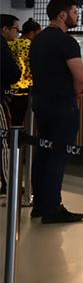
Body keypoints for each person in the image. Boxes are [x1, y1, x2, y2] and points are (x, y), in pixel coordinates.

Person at [30, 0, 83, 223]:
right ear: (63, 15)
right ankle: (53, 207)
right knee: (59, 155)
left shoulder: (38, 39)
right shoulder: (66, 41)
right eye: (74, 12)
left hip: (41, 103)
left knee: (43, 152)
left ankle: (40, 205)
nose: (77, 16)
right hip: (63, 105)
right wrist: (78, 91)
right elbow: (80, 75)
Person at [0, 14, 22, 199]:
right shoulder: (2, 47)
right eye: (16, 28)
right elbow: (14, 74)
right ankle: (8, 184)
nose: (17, 32)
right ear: (5, 29)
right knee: (4, 142)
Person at [10, 18, 42, 126]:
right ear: (32, 33)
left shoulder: (12, 42)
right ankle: (15, 141)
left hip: (10, 88)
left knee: (9, 118)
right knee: (17, 119)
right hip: (22, 88)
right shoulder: (28, 44)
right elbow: (22, 64)